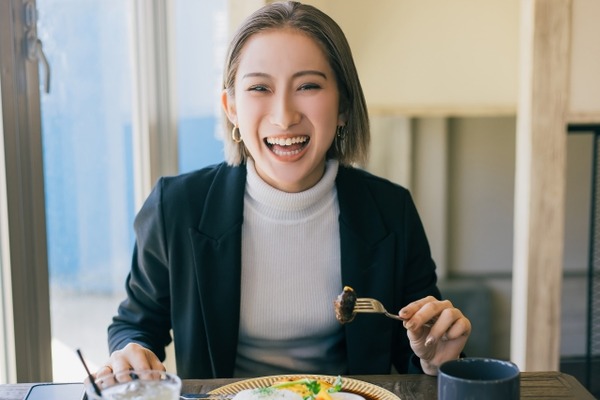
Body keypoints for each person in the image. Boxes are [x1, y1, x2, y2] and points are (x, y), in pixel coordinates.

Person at [100, 0, 471, 379]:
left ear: (343, 105)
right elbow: (137, 323)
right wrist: (132, 351)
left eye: (308, 86)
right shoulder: (176, 207)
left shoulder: (392, 211)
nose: (284, 115)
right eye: (259, 87)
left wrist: (433, 358)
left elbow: (414, 351)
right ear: (231, 108)